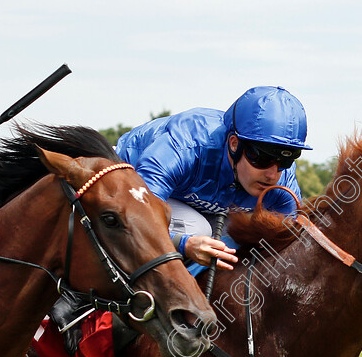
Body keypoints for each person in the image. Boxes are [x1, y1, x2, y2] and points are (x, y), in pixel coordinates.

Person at [115, 86, 309, 270]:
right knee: (199, 230)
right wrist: (183, 244)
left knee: (237, 240)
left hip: (197, 203)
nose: (272, 174)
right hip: (131, 184)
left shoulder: (282, 182)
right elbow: (136, 218)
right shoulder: (185, 148)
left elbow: (291, 244)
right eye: (263, 158)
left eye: (286, 160)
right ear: (234, 144)